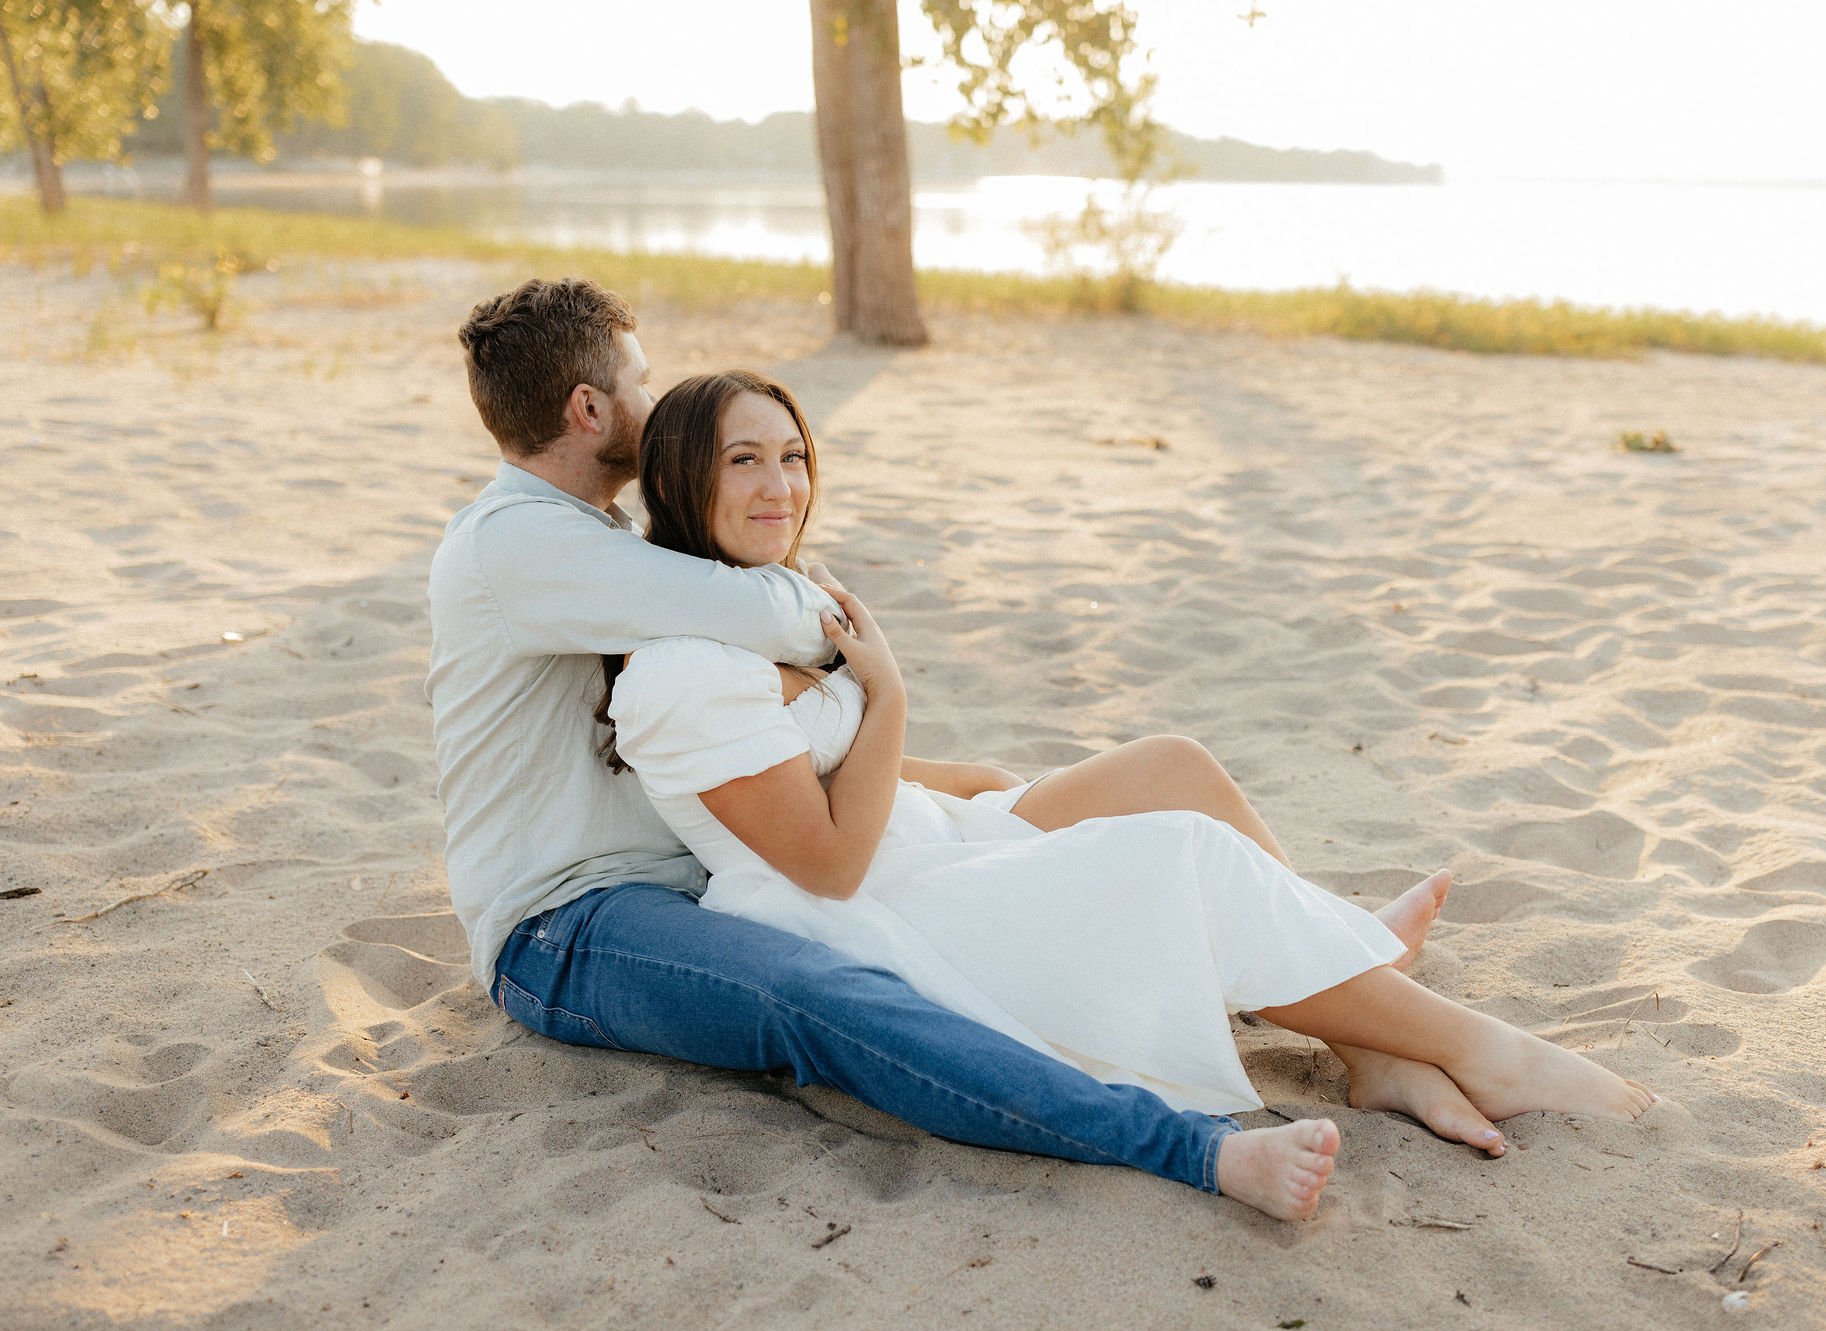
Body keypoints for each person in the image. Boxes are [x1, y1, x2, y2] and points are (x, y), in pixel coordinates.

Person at [428, 277, 1477, 1224]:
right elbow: (766, 608)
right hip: (569, 921)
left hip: (705, 857)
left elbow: (737, 671)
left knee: (1148, 775)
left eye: (788, 460)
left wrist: (918, 747)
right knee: (820, 998)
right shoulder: (515, 543)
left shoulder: (598, 542)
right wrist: (851, 641)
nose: (660, 409)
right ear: (588, 407)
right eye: (642, 383)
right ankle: (1192, 1146)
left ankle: (1355, 1008)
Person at [595, 369, 1658, 1149]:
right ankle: (1474, 1047)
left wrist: (994, 786)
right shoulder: (684, 668)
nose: (779, 484)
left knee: (1168, 769)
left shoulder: (772, 607)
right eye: (744, 460)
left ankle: (1369, 1042)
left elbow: (860, 766)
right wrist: (890, 690)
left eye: (791, 456)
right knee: (1179, 858)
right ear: (685, 481)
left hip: (920, 839)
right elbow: (824, 857)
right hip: (871, 900)